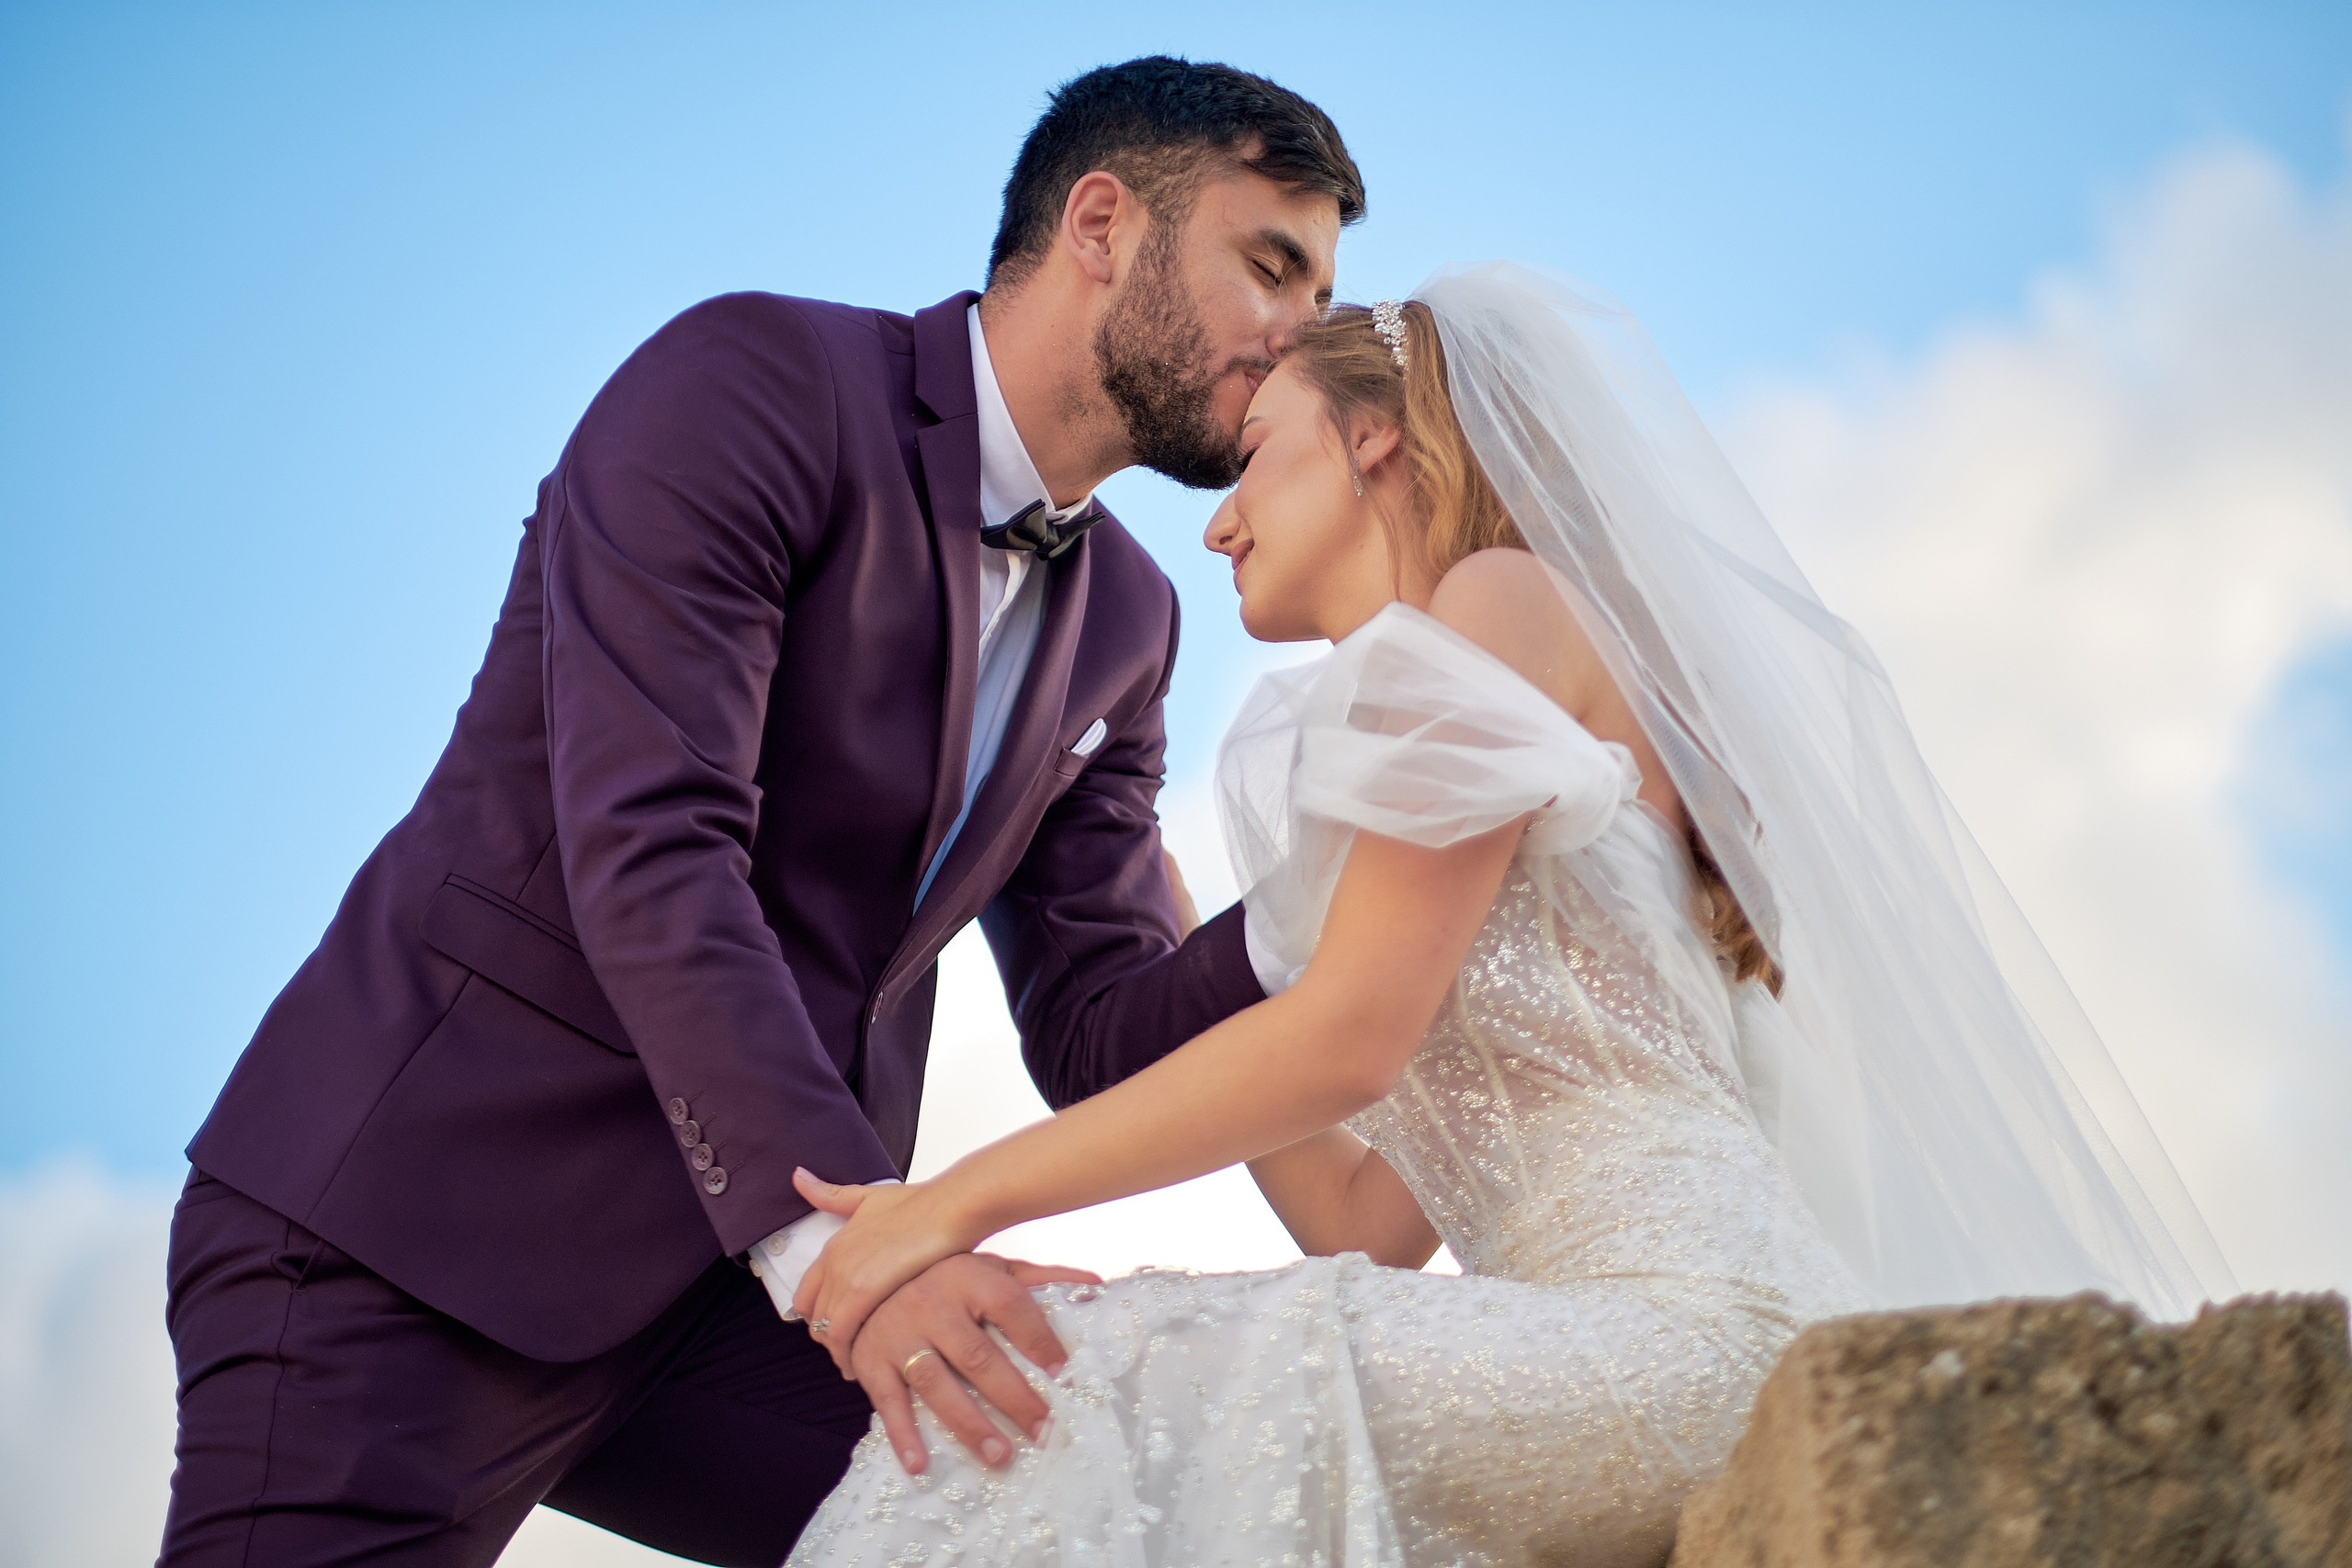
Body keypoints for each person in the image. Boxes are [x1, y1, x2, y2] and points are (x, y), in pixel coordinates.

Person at [781, 267, 2236, 1567]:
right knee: (1114, 1390)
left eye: (1255, 456)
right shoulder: (1486, 724)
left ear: (1372, 438)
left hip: (1688, 1336)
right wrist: (1171, 935)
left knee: (1073, 1383)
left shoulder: (1503, 600)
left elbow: (1346, 1041)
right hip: (1610, 1343)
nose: (1220, 520)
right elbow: (1359, 1218)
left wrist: (945, 1206)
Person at [158, 58, 1364, 1567]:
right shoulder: (746, 386)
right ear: (1104, 223)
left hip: (743, 1305)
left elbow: (1101, 1014)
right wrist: (854, 1251)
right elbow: (654, 842)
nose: (1304, 330)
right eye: (1274, 265)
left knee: (1085, 1502)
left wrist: (1351, 883)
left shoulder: (1126, 615)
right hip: (420, 1229)